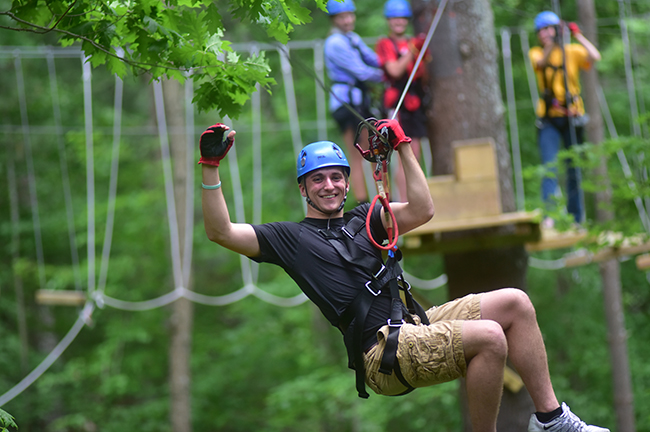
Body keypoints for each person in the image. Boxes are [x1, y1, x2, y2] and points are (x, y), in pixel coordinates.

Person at [198, 120, 610, 432]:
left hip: (414, 324)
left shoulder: (366, 217)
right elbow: (222, 232)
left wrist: (403, 147)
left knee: (515, 303)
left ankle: (552, 420)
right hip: (381, 353)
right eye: (318, 179)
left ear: (346, 182)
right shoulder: (289, 238)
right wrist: (211, 168)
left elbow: (422, 209)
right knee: (490, 337)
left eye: (336, 176)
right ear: (303, 189)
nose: (329, 185)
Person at [528, 11, 601, 228]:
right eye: (540, 31)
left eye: (548, 29)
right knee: (549, 166)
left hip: (572, 117)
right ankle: (549, 216)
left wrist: (576, 34)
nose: (544, 34)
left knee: (574, 169)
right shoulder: (537, 53)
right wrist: (554, 41)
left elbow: (594, 56)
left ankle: (576, 218)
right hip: (548, 119)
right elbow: (541, 63)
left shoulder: (571, 52)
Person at [324, 0, 384, 205]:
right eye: (342, 17)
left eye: (350, 15)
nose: (348, 20)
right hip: (346, 103)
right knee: (359, 152)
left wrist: (390, 63)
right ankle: (363, 202)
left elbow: (374, 59)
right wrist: (389, 75)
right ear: (334, 19)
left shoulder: (352, 38)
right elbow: (360, 70)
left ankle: (380, 197)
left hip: (359, 101)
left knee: (373, 150)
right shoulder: (335, 43)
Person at [375, 0, 430, 201]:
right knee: (403, 157)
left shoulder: (411, 43)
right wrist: (411, 51)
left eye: (402, 18)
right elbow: (394, 70)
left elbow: (422, 76)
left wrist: (423, 56)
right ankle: (405, 202)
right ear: (389, 21)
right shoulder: (385, 44)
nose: (399, 22)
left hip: (415, 105)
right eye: (394, 18)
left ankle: (416, 200)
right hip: (397, 106)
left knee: (415, 157)